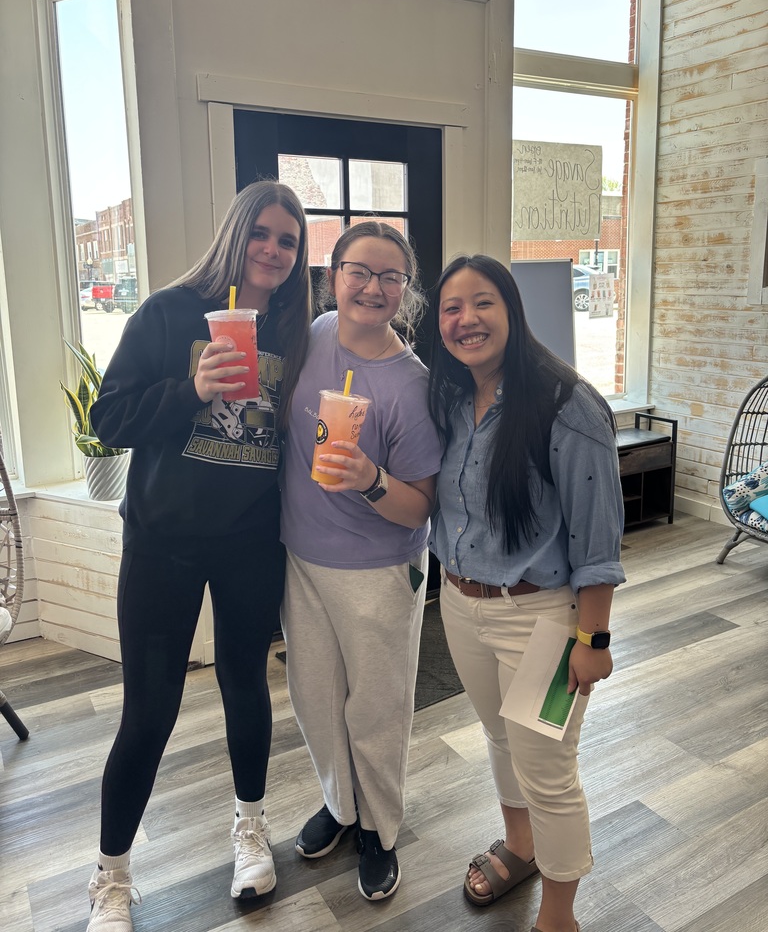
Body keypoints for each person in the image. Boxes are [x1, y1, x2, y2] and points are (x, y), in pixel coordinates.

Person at [84, 181, 312, 930]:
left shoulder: (295, 332)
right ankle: (112, 877)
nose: (274, 250)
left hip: (250, 541)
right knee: (149, 713)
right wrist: (191, 388)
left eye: (288, 240)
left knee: (247, 686)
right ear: (237, 232)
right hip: (163, 545)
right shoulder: (168, 312)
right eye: (264, 234)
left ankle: (250, 828)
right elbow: (107, 418)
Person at [427, 255, 625, 932]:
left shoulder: (568, 405)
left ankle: (559, 918)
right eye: (451, 308)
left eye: (482, 303)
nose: (466, 320)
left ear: (510, 310)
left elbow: (599, 540)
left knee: (546, 766)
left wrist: (591, 640)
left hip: (541, 619)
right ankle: (521, 846)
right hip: (460, 605)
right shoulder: (451, 401)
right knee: (499, 738)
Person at [280, 220, 442, 901]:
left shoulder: (411, 384)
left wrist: (371, 478)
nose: (372, 287)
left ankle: (378, 826)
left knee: (375, 707)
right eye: (358, 271)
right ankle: (340, 805)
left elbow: (421, 505)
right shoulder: (313, 335)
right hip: (301, 556)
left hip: (378, 569)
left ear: (405, 291)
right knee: (315, 698)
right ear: (333, 275)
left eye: (389, 277)